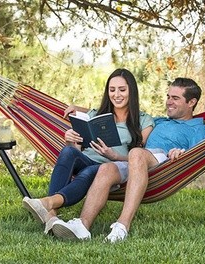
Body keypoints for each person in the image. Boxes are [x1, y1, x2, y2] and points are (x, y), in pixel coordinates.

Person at [51, 77, 205, 242]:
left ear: (191, 102)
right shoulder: (158, 121)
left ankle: (122, 226)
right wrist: (79, 110)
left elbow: (198, 154)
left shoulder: (199, 129)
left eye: (175, 98)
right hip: (135, 163)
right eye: (168, 97)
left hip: (162, 163)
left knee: (136, 152)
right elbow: (124, 114)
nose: (168, 102)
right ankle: (82, 226)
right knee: (106, 168)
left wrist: (181, 152)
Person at [21, 68, 154, 234]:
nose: (116, 95)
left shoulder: (144, 120)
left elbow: (138, 160)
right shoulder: (94, 115)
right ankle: (51, 215)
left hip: (110, 166)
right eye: (112, 90)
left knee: (89, 172)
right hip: (86, 159)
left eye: (122, 89)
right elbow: (79, 147)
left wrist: (113, 155)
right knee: (68, 151)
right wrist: (71, 139)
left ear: (131, 91)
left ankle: (48, 205)